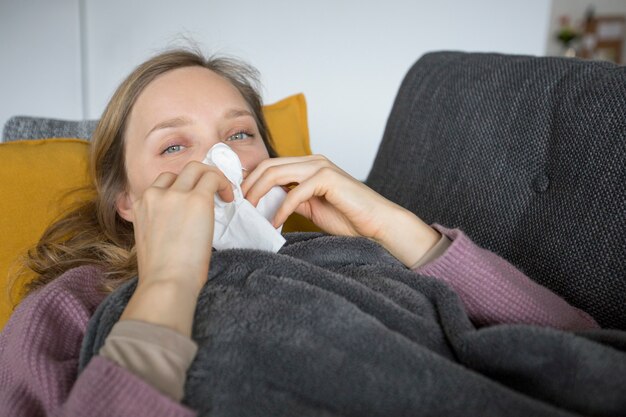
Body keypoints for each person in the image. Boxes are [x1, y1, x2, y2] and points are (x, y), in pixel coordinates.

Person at [0, 48, 599, 416]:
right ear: (127, 199)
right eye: (174, 145)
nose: (217, 162)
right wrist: (170, 282)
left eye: (238, 135)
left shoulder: (341, 250)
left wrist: (391, 224)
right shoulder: (73, 304)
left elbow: (577, 344)